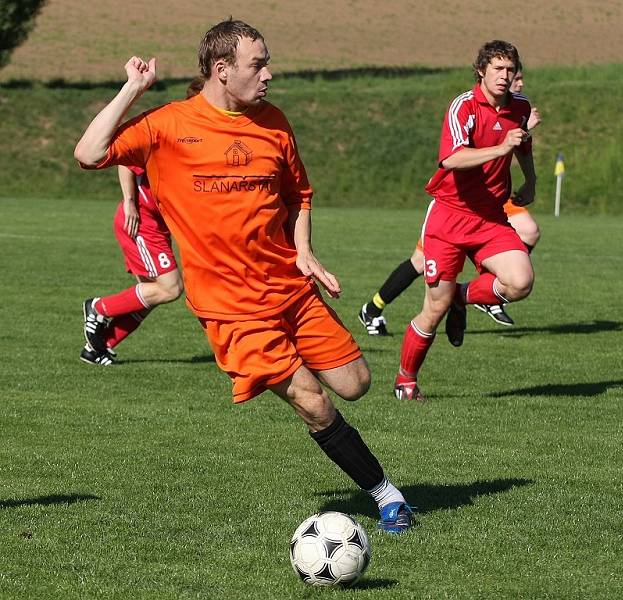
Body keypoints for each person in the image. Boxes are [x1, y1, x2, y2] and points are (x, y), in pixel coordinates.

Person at [73, 19, 413, 533]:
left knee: (355, 383)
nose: (269, 73)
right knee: (312, 400)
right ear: (222, 69)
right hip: (231, 309)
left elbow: (299, 194)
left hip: (290, 289)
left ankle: (368, 474)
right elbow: (89, 152)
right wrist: (132, 89)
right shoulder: (167, 125)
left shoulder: (274, 122)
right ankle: (388, 497)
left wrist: (304, 253)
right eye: (259, 64)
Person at [393, 40, 537, 401]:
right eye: (498, 69)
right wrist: (500, 148)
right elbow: (451, 159)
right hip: (450, 218)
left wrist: (530, 181)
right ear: (481, 71)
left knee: (520, 282)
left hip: (490, 218)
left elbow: (523, 144)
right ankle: (405, 381)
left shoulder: (520, 107)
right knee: (434, 308)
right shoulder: (464, 106)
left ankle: (461, 295)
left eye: (510, 70)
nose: (505, 77)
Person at [358, 64, 541, 334]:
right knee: (419, 261)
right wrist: (514, 137)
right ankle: (373, 308)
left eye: (516, 75)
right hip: (456, 202)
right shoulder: (470, 106)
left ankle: (488, 293)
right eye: (510, 75)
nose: (516, 81)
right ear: (484, 73)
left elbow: (516, 144)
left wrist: (527, 152)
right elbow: (457, 155)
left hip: (493, 199)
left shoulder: (517, 108)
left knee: (530, 232)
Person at [81, 79, 209, 365]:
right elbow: (127, 158)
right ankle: (98, 308)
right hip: (140, 221)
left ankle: (98, 348)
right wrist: (129, 202)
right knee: (170, 288)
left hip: (157, 224)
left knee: (151, 295)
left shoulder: (206, 137)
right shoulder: (174, 128)